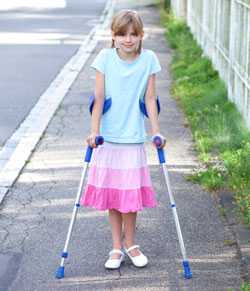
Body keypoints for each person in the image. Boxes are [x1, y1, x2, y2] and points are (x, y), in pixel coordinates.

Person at [80, 9, 166, 269]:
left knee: (129, 197)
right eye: (122, 34)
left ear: (141, 36)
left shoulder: (149, 59)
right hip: (109, 139)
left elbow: (150, 99)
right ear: (113, 36)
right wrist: (94, 132)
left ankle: (132, 243)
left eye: (133, 34)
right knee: (114, 197)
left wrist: (156, 131)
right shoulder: (105, 58)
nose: (128, 39)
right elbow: (98, 99)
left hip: (133, 139)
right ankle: (116, 247)